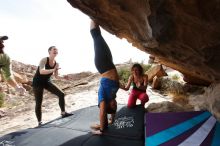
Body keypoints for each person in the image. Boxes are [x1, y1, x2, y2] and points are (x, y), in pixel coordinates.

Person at [90, 20, 120, 135]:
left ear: (108, 105)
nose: (115, 103)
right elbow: (112, 111)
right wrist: (112, 119)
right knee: (100, 37)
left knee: (96, 37)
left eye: (113, 105)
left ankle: (91, 16)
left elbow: (103, 112)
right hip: (110, 64)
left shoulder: (103, 98)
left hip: (102, 65)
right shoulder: (112, 96)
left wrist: (101, 130)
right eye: (116, 105)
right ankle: (95, 18)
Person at [32, 46, 72, 126]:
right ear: (49, 51)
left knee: (61, 94)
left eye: (57, 50)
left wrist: (64, 77)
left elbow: (56, 76)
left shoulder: (56, 64)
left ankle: (63, 112)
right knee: (39, 102)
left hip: (47, 81)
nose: (56, 51)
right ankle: (40, 122)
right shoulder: (44, 60)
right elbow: (41, 71)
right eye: (54, 49)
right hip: (37, 82)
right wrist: (53, 70)